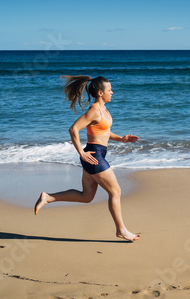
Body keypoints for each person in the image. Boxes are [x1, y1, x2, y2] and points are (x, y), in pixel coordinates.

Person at [34, 75, 140, 242]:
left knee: (86, 197)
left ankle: (48, 197)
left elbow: (104, 132)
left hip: (95, 155)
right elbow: (73, 129)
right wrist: (81, 153)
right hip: (93, 156)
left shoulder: (103, 109)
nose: (112, 92)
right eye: (109, 89)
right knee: (115, 191)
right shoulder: (94, 111)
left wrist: (122, 139)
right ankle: (121, 230)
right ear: (100, 92)